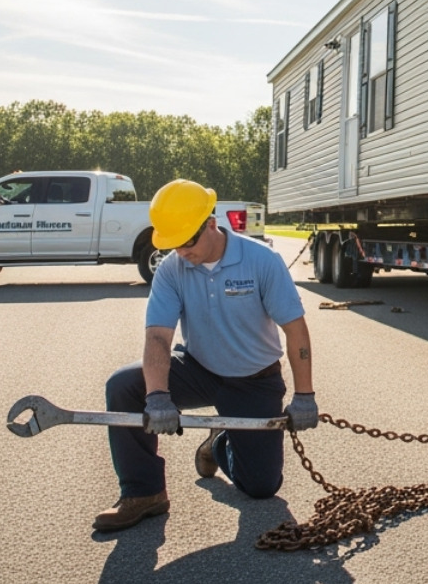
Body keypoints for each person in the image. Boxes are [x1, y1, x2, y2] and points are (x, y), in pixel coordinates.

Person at [94, 179, 318, 532]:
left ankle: (217, 444)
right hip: (199, 369)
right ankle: (143, 492)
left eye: (187, 241)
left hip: (254, 381)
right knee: (124, 386)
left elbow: (296, 330)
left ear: (211, 224)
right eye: (173, 244)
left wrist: (304, 396)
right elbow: (157, 337)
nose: (181, 251)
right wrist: (157, 398)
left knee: (261, 487)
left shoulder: (261, 261)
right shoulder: (171, 269)